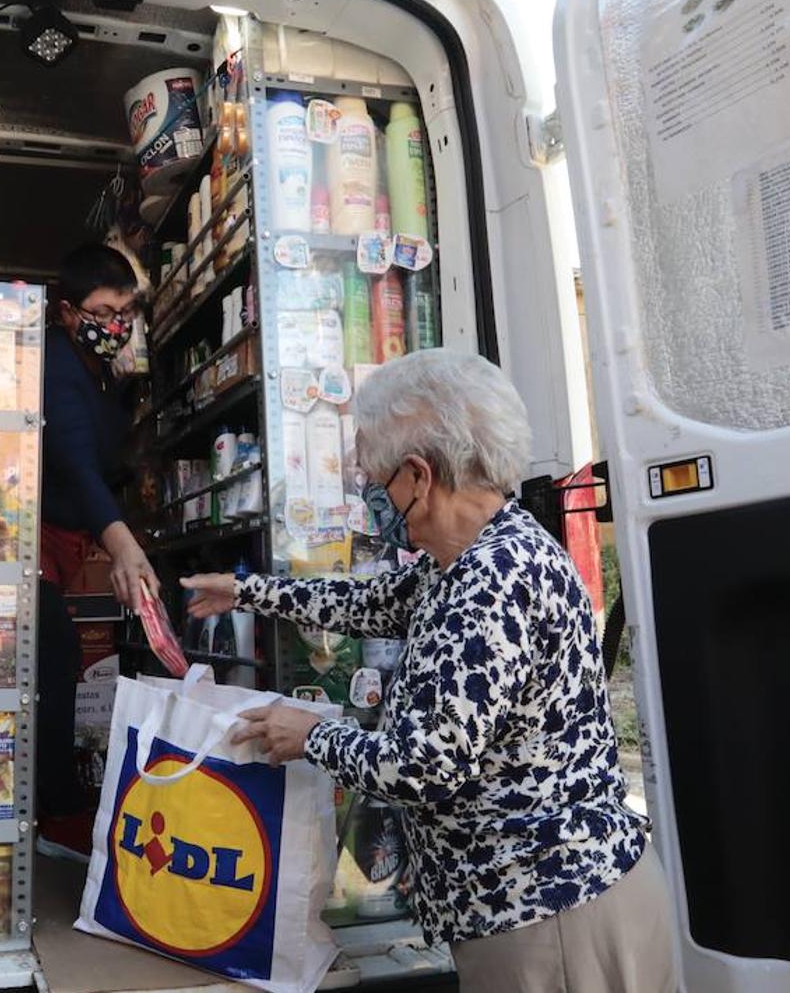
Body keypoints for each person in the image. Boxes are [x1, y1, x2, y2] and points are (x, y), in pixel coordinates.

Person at [182, 349, 675, 993]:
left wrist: (310, 736)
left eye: (376, 482)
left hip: (550, 920)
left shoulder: (491, 582)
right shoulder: (468, 559)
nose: (373, 496)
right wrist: (247, 592)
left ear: (420, 474)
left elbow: (427, 766)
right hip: (539, 910)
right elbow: (369, 602)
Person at [36, 244, 161, 856]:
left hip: (63, 542)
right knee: (53, 662)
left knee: (55, 659)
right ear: (67, 312)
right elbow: (75, 462)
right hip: (32, 542)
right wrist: (122, 544)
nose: (116, 323)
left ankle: (59, 807)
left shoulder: (93, 365)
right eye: (102, 311)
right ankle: (54, 815)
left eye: (125, 311)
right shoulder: (59, 363)